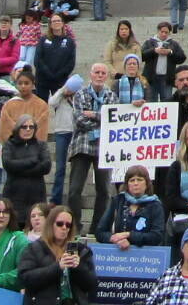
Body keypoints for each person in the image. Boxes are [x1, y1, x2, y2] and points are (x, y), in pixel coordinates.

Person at [69, 64, 117, 224]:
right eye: (97, 72)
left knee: (104, 190)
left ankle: (97, 227)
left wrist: (95, 115)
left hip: (104, 148)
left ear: (106, 76)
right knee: (75, 189)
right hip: (81, 146)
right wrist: (102, 119)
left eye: (103, 73)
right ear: (91, 74)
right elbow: (79, 120)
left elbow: (113, 120)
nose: (100, 75)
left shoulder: (111, 95)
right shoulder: (80, 94)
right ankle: (74, 225)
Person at [98, 164, 170, 248]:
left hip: (146, 256)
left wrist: (129, 236)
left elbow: (157, 236)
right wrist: (115, 239)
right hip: (118, 255)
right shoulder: (118, 201)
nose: (136, 183)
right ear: (127, 184)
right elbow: (100, 232)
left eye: (139, 180)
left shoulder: (155, 205)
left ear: (147, 183)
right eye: (132, 180)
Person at [1, 114, 51, 228]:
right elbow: (8, 164)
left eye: (31, 127)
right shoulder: (10, 145)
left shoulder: (41, 145)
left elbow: (46, 166)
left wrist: (20, 168)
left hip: (36, 196)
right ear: (18, 128)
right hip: (14, 195)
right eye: (24, 127)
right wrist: (32, 161)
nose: (28, 129)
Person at [0, 68, 52, 150]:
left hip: (33, 149)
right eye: (20, 83)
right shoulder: (9, 104)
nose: (23, 86)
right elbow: (4, 128)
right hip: (13, 149)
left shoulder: (41, 105)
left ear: (33, 85)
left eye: (26, 83)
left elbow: (41, 130)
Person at [49, 75, 83, 204]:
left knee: (76, 167)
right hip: (61, 132)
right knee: (60, 167)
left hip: (76, 132)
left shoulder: (80, 96)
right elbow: (51, 102)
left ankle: (73, 197)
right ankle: (55, 198)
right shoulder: (61, 96)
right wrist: (63, 91)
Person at [33, 15, 77, 101]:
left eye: (58, 21)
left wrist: (58, 75)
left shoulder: (69, 42)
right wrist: (48, 73)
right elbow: (38, 60)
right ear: (50, 24)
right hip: (42, 80)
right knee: (41, 107)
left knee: (60, 108)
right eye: (54, 21)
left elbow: (71, 63)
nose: (56, 23)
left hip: (60, 80)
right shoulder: (43, 40)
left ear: (63, 23)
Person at [141, 22, 185, 101]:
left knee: (167, 102)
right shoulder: (149, 42)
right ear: (158, 31)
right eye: (162, 32)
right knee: (151, 101)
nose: (164, 34)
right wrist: (154, 51)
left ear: (169, 33)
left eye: (166, 32)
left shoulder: (173, 44)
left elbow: (182, 58)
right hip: (151, 79)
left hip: (167, 79)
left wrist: (170, 52)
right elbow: (141, 56)